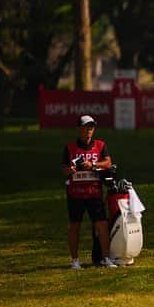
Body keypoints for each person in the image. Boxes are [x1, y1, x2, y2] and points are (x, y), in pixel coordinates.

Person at [61, 115, 116, 269]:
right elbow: (64, 169)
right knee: (74, 226)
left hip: (94, 192)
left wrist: (92, 164)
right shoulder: (70, 148)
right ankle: (75, 260)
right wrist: (70, 169)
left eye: (91, 127)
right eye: (86, 126)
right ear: (79, 128)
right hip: (75, 193)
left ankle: (105, 258)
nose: (89, 130)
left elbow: (108, 162)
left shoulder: (100, 145)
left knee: (102, 225)